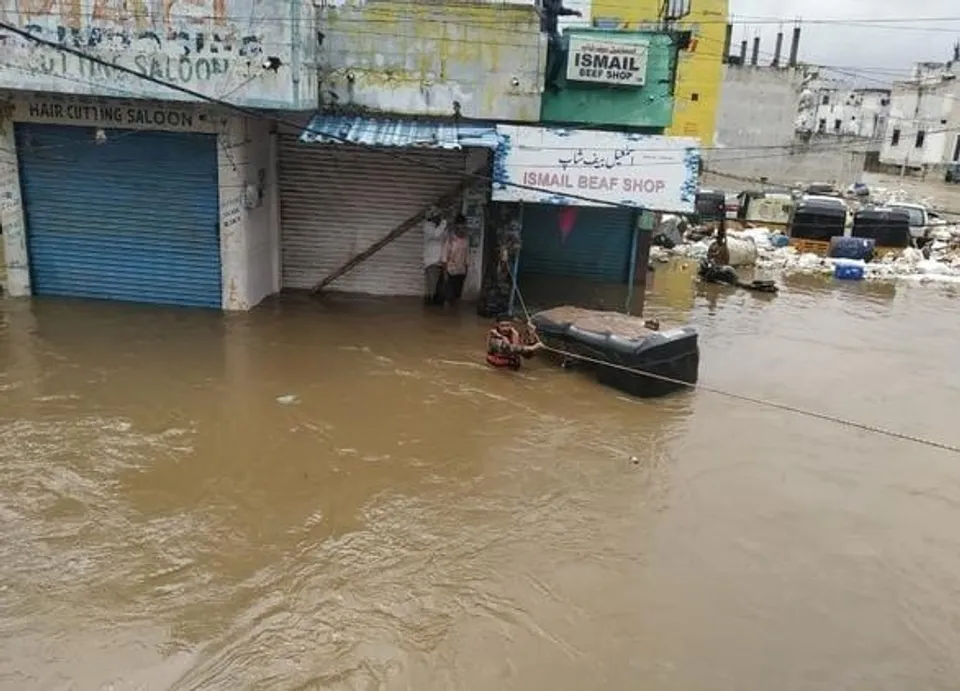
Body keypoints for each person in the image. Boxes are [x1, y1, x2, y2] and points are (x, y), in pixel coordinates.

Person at [422, 207, 448, 306]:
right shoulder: (427, 227)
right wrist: (444, 222)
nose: (439, 218)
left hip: (440, 261)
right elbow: (436, 234)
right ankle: (429, 307)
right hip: (431, 262)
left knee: (438, 287)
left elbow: (444, 237)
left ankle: (433, 307)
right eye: (437, 216)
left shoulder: (439, 228)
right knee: (432, 287)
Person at [442, 214, 469, 305]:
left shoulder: (466, 239)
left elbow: (467, 255)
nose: (461, 228)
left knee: (457, 296)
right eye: (459, 225)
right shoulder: (450, 239)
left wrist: (467, 269)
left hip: (461, 271)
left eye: (463, 225)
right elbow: (444, 257)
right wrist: (445, 272)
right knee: (449, 297)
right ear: (456, 226)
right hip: (451, 270)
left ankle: (454, 315)